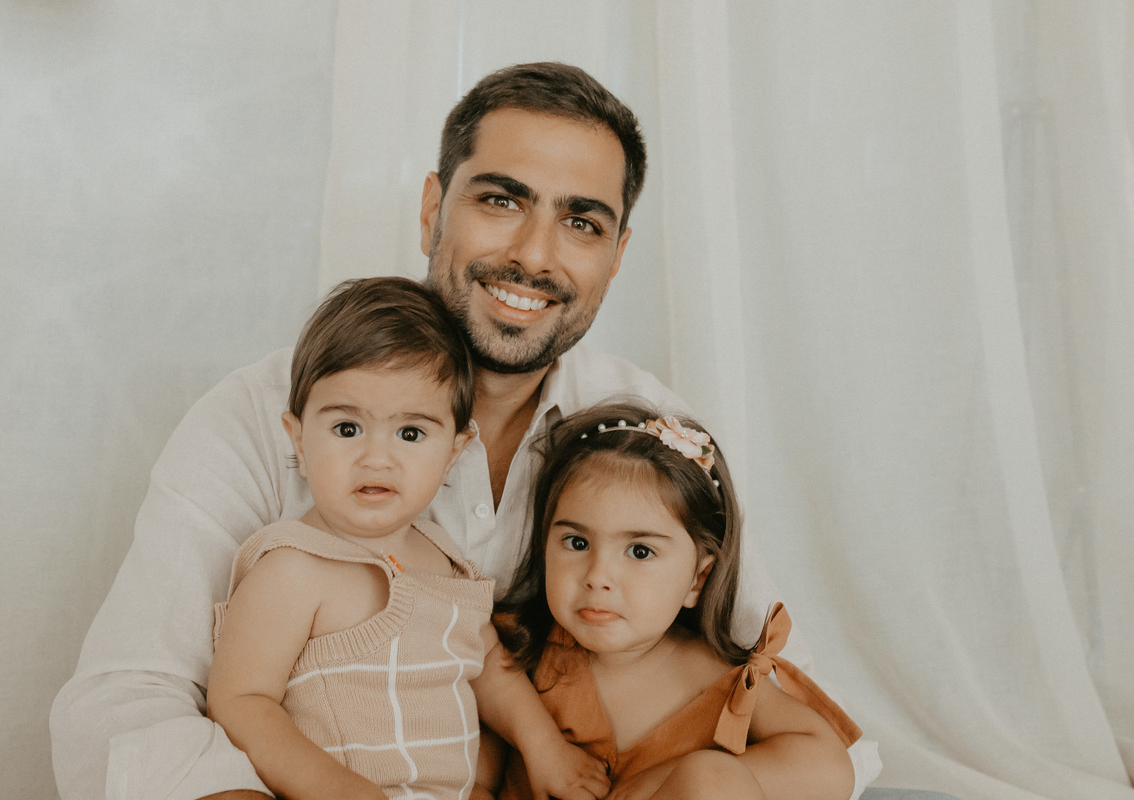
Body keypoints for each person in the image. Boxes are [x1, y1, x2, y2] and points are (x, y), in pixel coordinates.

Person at [50, 61, 881, 799]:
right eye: (500, 200)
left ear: (618, 254)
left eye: (582, 222)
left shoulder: (642, 435)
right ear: (431, 209)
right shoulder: (259, 416)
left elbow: (773, 688)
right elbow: (124, 701)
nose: (534, 255)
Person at [205, 276, 607, 800]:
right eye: (347, 429)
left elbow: (490, 667)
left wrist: (544, 748)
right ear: (299, 440)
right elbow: (240, 700)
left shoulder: (441, 555)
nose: (377, 458)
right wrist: (336, 788)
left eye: (410, 433)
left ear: (454, 450)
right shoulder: (291, 568)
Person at [485, 402, 861, 800]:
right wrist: (542, 745)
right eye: (577, 543)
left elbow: (831, 767)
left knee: (710, 778)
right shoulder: (522, 651)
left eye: (640, 552)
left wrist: (672, 777)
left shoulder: (719, 681)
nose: (597, 576)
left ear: (698, 579)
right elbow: (470, 766)